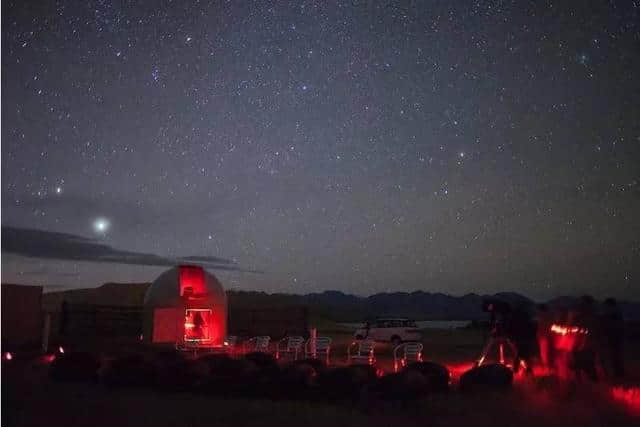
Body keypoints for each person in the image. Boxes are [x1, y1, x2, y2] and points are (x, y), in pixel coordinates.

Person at [602, 298, 625, 379]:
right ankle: (619, 372)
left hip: (613, 335)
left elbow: (608, 324)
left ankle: (618, 373)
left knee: (614, 355)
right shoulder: (617, 312)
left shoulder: (611, 312)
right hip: (616, 335)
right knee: (616, 355)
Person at [535, 304, 554, 373]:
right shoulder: (547, 317)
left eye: (539, 310)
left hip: (544, 337)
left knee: (545, 353)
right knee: (545, 353)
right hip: (545, 337)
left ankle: (547, 369)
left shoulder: (542, 317)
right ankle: (548, 368)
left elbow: (542, 328)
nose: (537, 312)